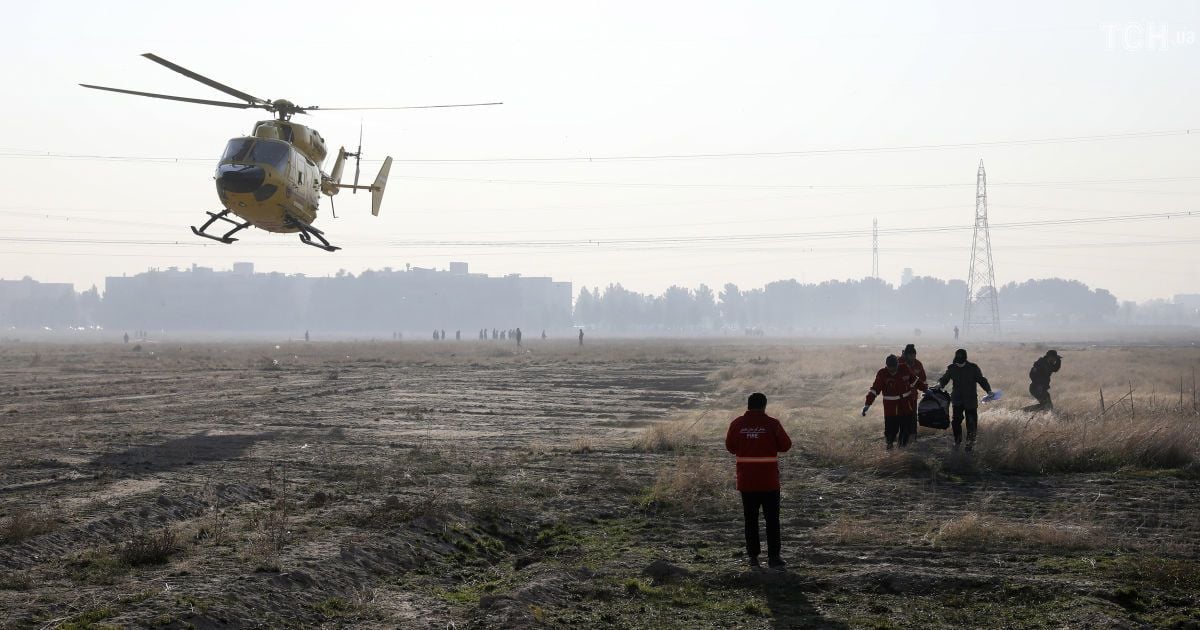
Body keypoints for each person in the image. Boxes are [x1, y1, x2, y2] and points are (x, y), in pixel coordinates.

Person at [725, 392, 792, 569]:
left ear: (748, 405)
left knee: (750, 520)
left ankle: (753, 557)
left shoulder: (737, 424)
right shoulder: (773, 424)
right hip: (769, 482)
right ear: (764, 406)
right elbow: (786, 446)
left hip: (746, 482)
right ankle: (774, 558)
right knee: (772, 520)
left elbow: (730, 447)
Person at [934, 348, 993, 452]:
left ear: (965, 359)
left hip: (970, 401)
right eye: (957, 361)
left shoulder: (973, 368)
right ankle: (957, 441)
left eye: (961, 361)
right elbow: (944, 379)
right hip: (957, 400)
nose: (959, 363)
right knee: (956, 422)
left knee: (971, 423)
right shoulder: (952, 368)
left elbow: (981, 380)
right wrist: (939, 384)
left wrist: (989, 391)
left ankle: (969, 445)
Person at [863, 354, 917, 450]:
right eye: (890, 368)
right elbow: (875, 390)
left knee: (905, 430)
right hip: (890, 409)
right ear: (886, 366)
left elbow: (915, 380)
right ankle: (890, 448)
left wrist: (926, 389)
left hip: (906, 407)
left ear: (898, 364)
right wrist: (867, 404)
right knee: (890, 431)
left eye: (894, 368)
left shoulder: (904, 368)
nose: (892, 370)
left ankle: (902, 450)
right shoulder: (882, 374)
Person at [897, 344, 928, 446]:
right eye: (910, 356)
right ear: (905, 355)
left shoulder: (918, 364)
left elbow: (923, 378)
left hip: (913, 397)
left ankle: (913, 441)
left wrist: (923, 386)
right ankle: (902, 444)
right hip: (900, 398)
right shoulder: (898, 362)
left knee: (913, 420)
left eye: (914, 356)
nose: (913, 358)